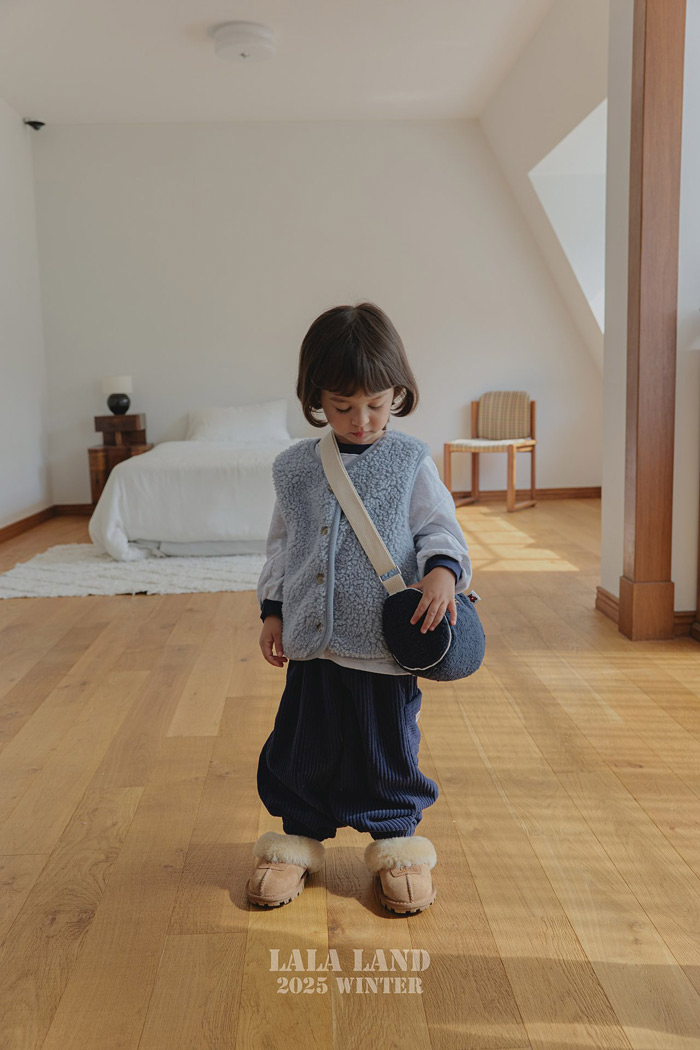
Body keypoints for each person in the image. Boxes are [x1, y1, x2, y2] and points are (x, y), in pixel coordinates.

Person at [246, 301, 472, 915]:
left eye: (376, 403)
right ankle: (297, 839)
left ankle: (398, 844)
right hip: (312, 642)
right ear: (316, 397)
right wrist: (273, 612)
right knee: (302, 744)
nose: (362, 420)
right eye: (343, 406)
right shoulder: (294, 468)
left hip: (383, 644)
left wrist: (442, 575)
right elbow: (282, 546)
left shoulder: (409, 460)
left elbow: (438, 527)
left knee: (386, 749)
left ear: (398, 391)